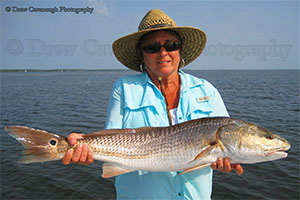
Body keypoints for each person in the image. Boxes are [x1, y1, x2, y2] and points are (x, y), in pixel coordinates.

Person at [62, 9, 244, 199]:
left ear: (180, 49)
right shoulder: (124, 88)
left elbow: (226, 144)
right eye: (152, 47)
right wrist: (83, 143)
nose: (163, 52)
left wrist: (228, 160)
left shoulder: (207, 90)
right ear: (142, 55)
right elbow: (112, 136)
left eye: (171, 45)